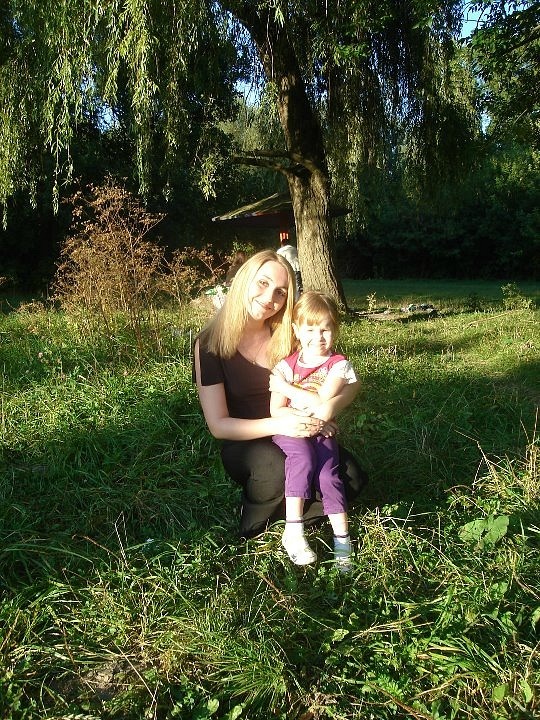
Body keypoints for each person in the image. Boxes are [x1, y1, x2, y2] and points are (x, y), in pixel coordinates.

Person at [193, 249, 366, 540]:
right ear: (244, 280)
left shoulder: (288, 334)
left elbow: (352, 382)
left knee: (352, 478)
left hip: (301, 430)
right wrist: (281, 424)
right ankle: (262, 521)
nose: (269, 297)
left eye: (281, 292)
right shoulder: (209, 344)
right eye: (262, 283)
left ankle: (290, 508)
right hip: (246, 439)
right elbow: (218, 425)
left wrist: (327, 410)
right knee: (275, 468)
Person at [270, 291, 356, 571]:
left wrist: (286, 388)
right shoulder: (286, 366)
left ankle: (342, 541)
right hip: (290, 429)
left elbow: (322, 401)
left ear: (335, 330)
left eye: (325, 330)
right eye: (309, 330)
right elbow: (276, 410)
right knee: (303, 459)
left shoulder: (338, 365)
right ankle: (293, 530)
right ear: (296, 330)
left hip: (322, 431)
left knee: (329, 476)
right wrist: (308, 420)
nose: (317, 337)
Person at [276, 233, 302, 297]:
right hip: (297, 269)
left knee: (291, 287)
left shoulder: (280, 251)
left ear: (282, 244)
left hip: (289, 270)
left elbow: (279, 261)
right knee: (297, 287)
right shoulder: (294, 249)